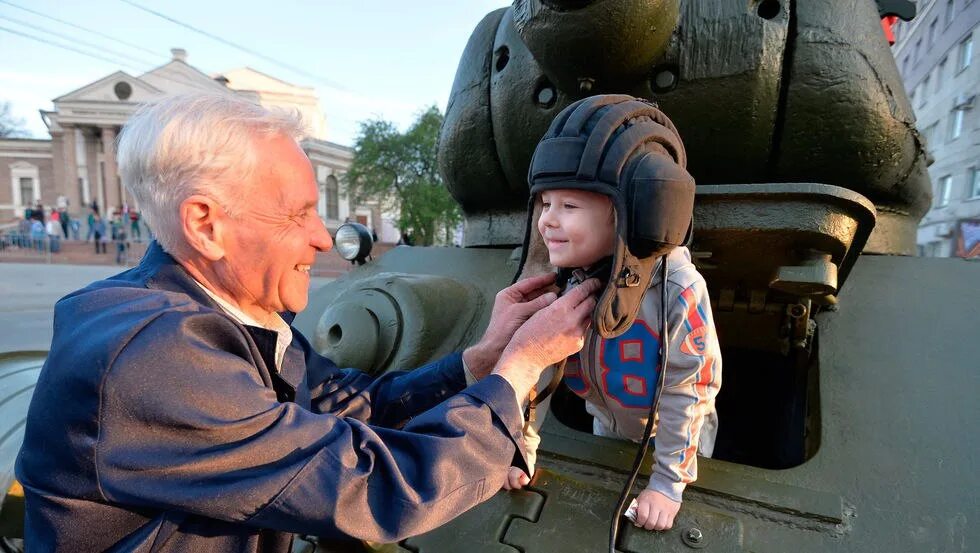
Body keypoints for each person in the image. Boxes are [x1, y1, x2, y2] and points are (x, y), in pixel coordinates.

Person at [15, 93, 600, 551]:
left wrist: (479, 362)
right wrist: (519, 370)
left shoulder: (225, 309)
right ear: (206, 226)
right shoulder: (156, 355)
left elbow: (335, 403)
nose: (322, 238)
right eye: (297, 213)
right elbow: (373, 488)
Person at [507, 95, 722, 532]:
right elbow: (538, 370)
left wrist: (667, 484)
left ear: (632, 214)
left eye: (569, 207)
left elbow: (690, 388)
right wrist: (522, 447)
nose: (547, 220)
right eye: (545, 204)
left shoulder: (679, 291)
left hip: (677, 438)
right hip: (606, 423)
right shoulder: (563, 279)